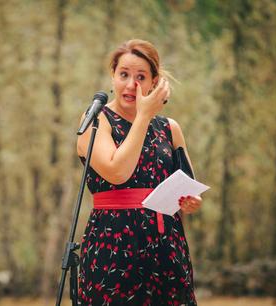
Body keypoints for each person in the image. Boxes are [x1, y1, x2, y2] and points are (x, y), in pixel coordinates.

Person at [77, 39, 202, 305]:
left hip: (166, 246)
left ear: (154, 83)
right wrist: (144, 116)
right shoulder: (97, 121)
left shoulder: (170, 128)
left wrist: (191, 202)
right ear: (113, 75)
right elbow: (117, 172)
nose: (131, 84)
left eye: (141, 77)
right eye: (124, 74)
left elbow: (188, 185)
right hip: (112, 246)